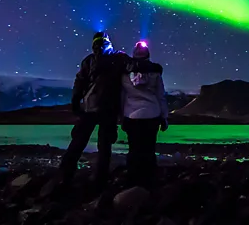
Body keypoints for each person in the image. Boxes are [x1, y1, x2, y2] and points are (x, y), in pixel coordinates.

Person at [58, 31, 129, 190]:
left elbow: (79, 82)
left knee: (78, 142)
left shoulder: (89, 60)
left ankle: (65, 175)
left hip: (89, 107)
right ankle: (100, 179)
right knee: (105, 146)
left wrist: (76, 102)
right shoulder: (119, 58)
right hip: (109, 109)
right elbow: (133, 69)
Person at [120, 40, 168, 188]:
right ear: (148, 55)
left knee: (134, 149)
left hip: (131, 116)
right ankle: (149, 181)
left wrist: (121, 117)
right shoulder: (155, 74)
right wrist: (164, 117)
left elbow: (122, 97)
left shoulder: (124, 74)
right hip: (152, 115)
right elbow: (160, 96)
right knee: (149, 149)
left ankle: (132, 181)